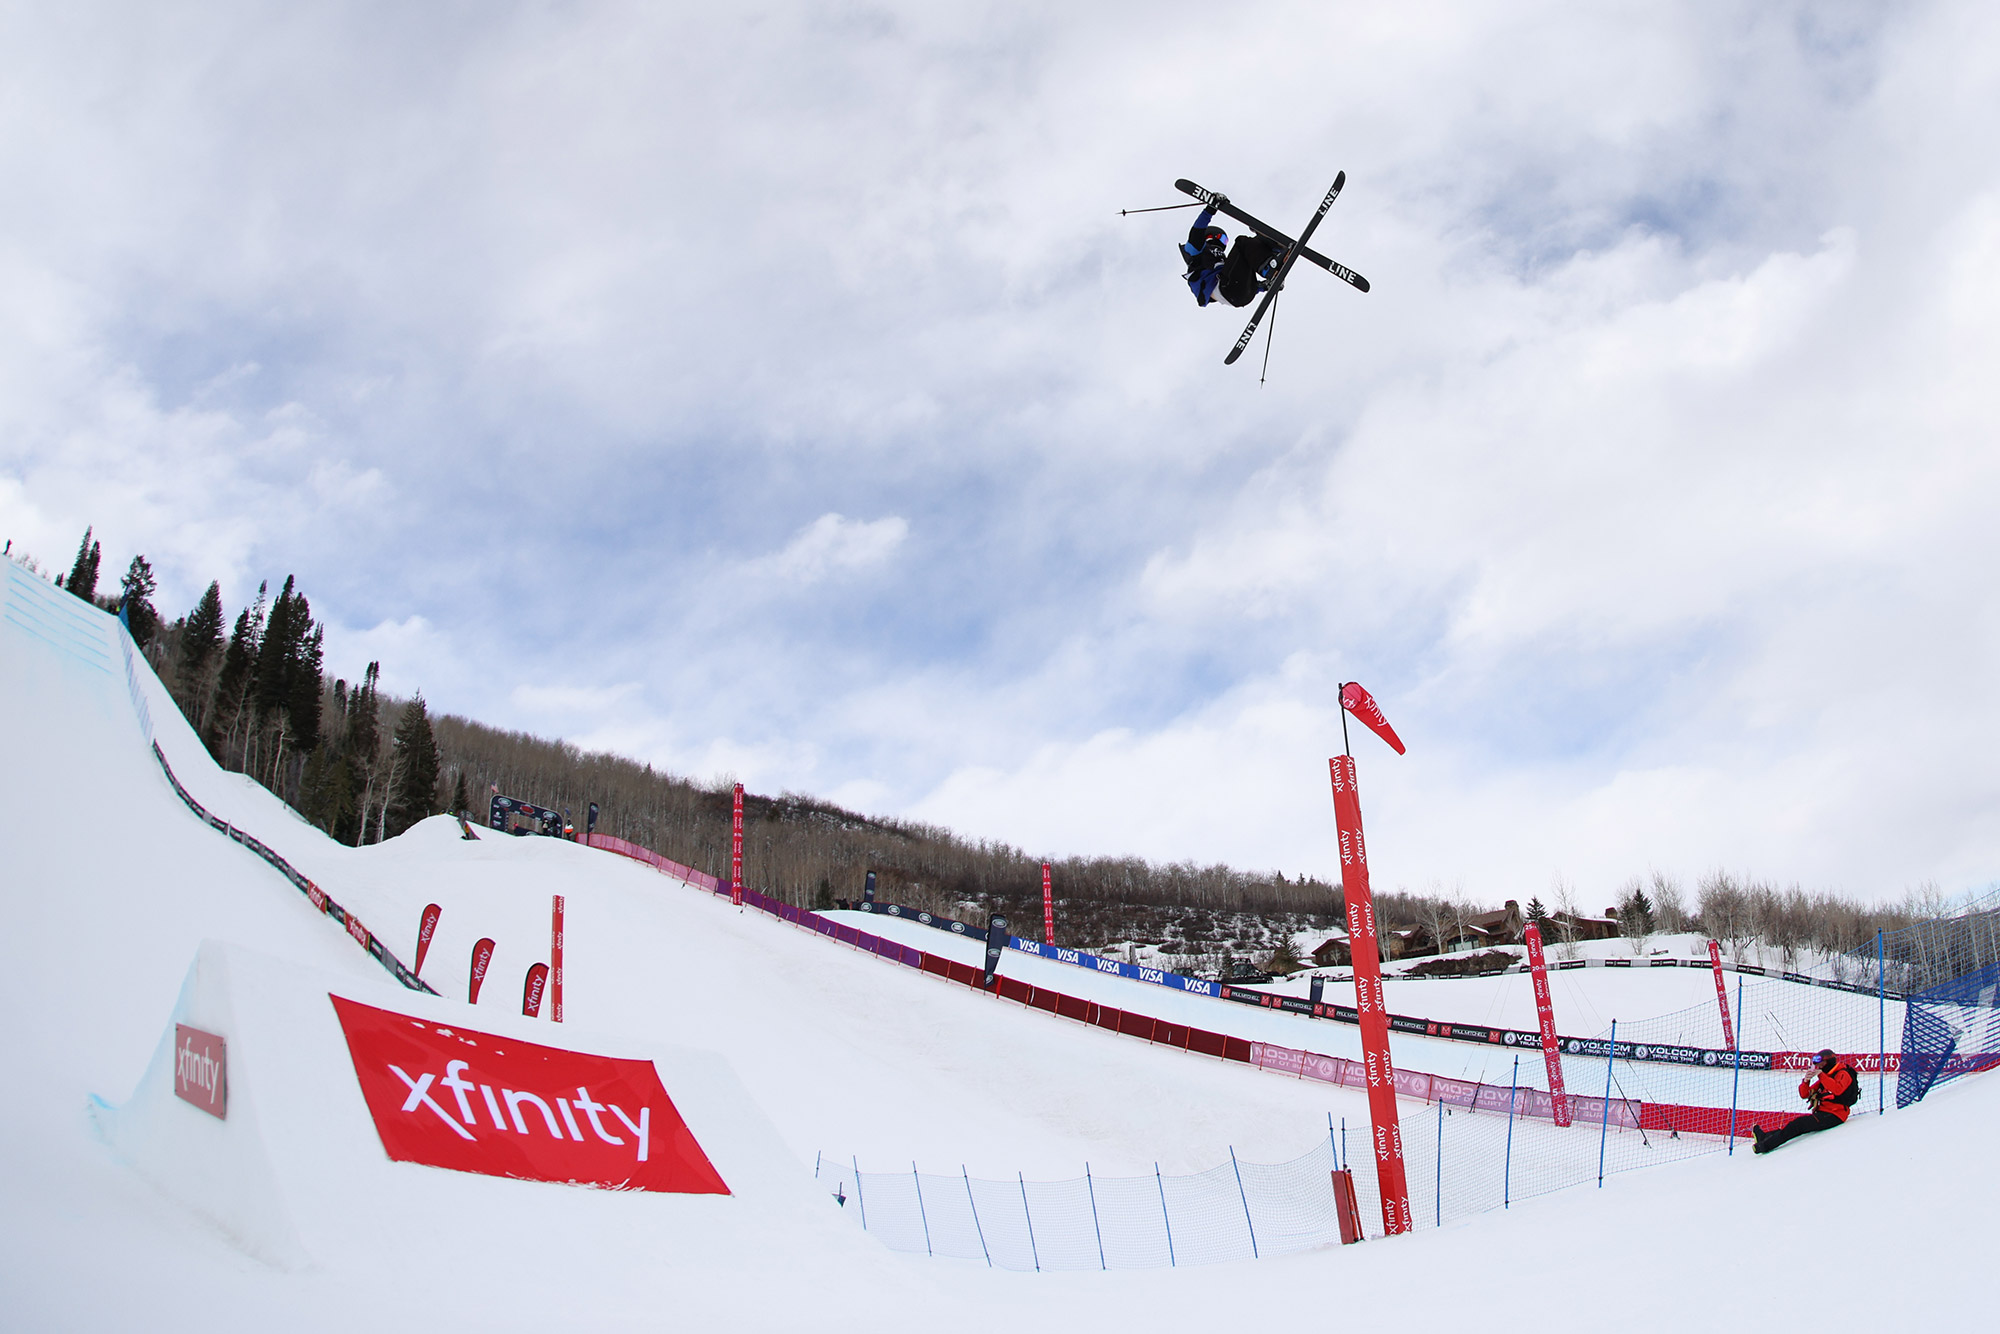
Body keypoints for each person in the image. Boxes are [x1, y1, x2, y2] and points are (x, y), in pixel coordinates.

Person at [1753, 1049, 1859, 1154]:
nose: (1819, 1067)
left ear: (1829, 1062)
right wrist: (1806, 1081)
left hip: (1836, 1115)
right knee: (1795, 1126)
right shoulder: (1826, 1076)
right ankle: (1765, 1137)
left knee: (1798, 1124)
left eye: (1821, 1064)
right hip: (1823, 1112)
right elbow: (1804, 1094)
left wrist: (1821, 1075)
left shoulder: (1843, 1073)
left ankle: (1765, 1146)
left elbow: (1837, 1090)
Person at [1180, 200, 1230, 306]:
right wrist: (1210, 210)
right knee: (1242, 243)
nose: (1224, 243)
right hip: (1214, 286)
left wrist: (1261, 287)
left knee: (1244, 252)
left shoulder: (1223, 259)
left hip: (1231, 284)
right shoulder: (1198, 249)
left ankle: (1268, 267)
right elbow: (1197, 231)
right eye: (1223, 238)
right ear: (1212, 235)